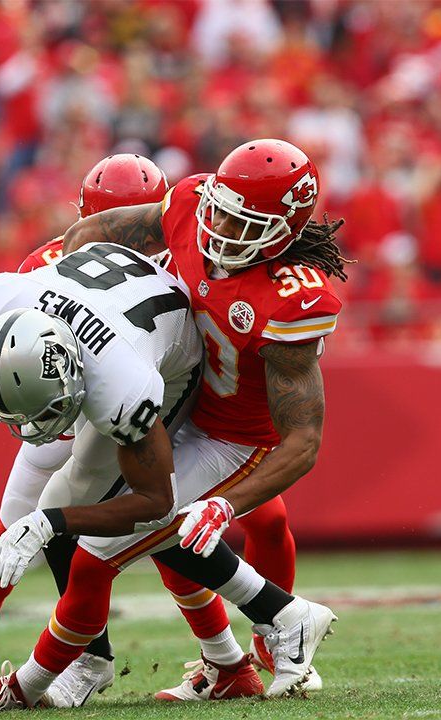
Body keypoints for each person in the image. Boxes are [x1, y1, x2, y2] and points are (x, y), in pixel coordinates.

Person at [0, 240, 337, 711]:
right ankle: (269, 620)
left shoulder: (121, 386)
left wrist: (52, 523)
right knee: (67, 507)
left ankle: (33, 685)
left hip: (173, 369)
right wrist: (54, 519)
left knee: (95, 543)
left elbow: (155, 502)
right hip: (117, 322)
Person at [65, 138, 352, 702]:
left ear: (284, 232)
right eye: (221, 208)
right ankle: (255, 643)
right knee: (154, 530)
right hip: (177, 407)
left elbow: (303, 441)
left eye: (245, 223)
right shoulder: (191, 205)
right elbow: (86, 235)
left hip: (233, 437)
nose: (219, 228)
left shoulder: (290, 298)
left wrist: (225, 503)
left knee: (116, 542)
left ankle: (56, 679)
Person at [0, 153, 170, 706]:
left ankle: (225, 656)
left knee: (168, 531)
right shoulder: (169, 268)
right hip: (87, 415)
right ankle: (226, 656)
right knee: (30, 535)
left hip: (122, 413)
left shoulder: (58, 259)